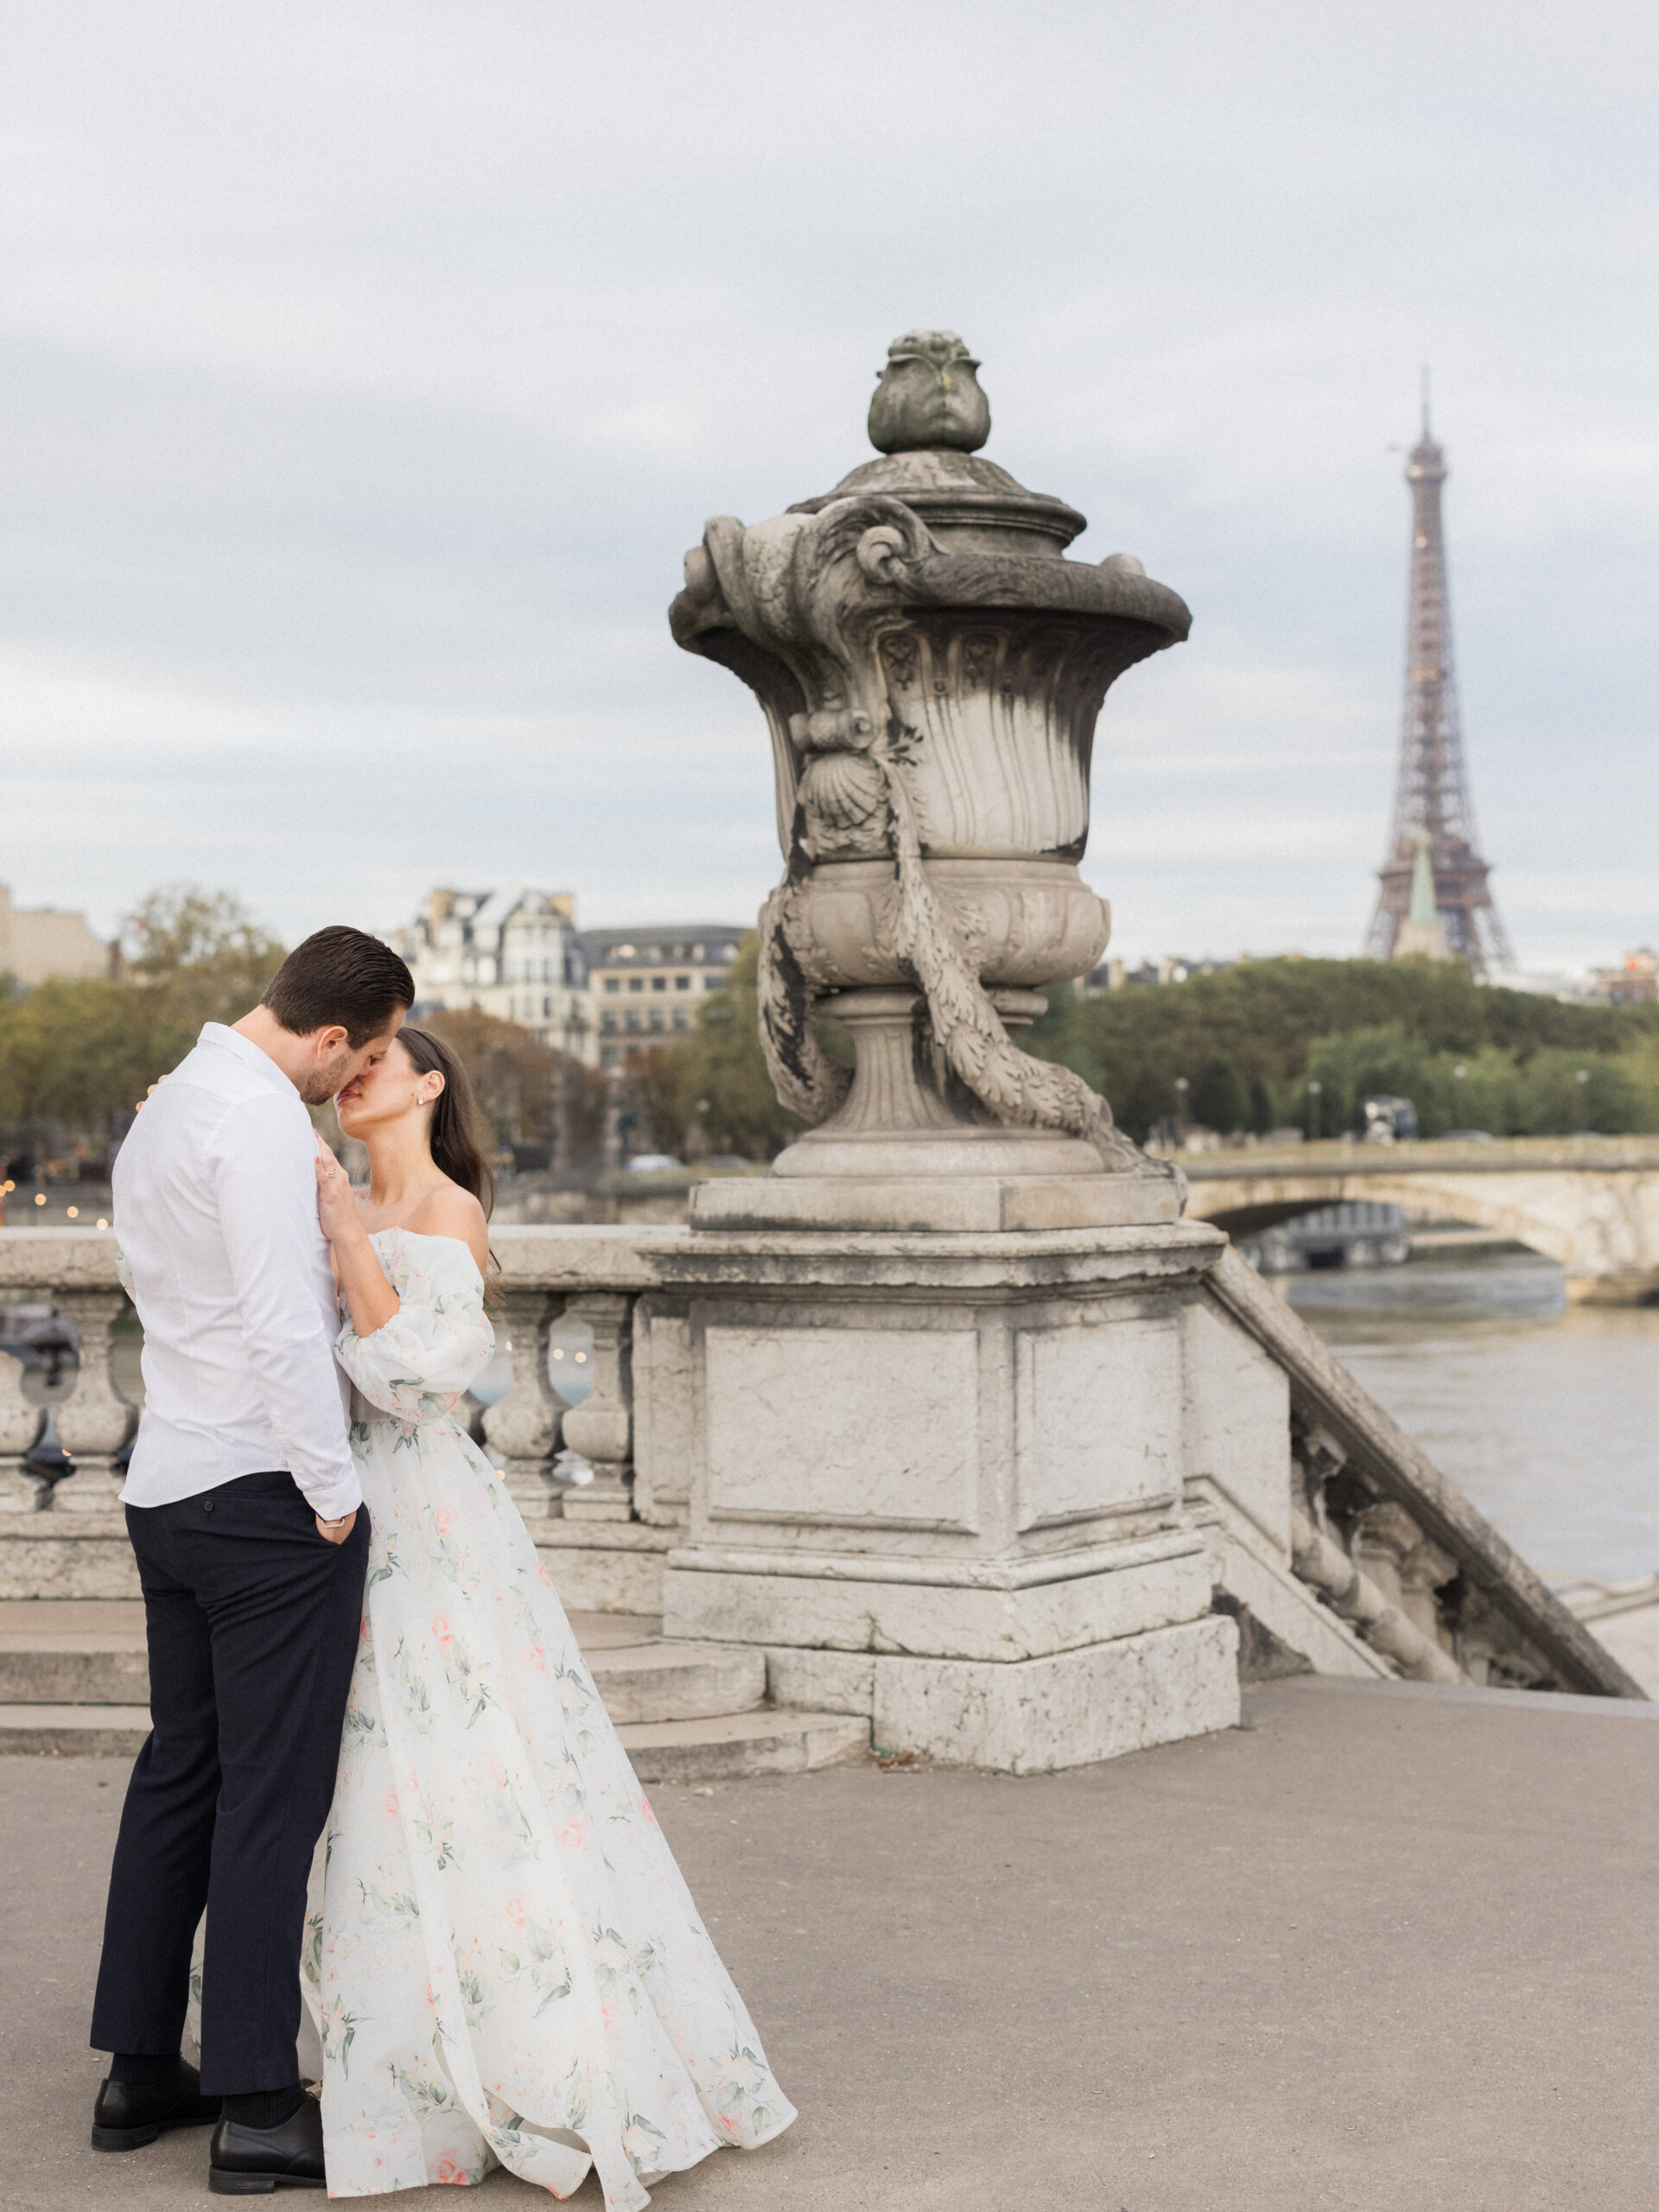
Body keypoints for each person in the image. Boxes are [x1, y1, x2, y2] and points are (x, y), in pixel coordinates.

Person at [305, 1025, 794, 2208]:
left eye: (387, 1058)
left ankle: (503, 2050)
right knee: (334, 1773)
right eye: (350, 1056)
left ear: (430, 1086)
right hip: (317, 1511)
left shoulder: (447, 1213)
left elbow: (418, 1379)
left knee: (459, 1766)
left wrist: (337, 1233)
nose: (361, 1070)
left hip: (421, 1518)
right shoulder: (328, 1200)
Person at [90, 925, 415, 2195]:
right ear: (333, 1035)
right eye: (371, 1052)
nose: (362, 1075)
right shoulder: (265, 1127)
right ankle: (259, 2106)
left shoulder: (169, 1109)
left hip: (166, 1483)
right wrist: (332, 1494)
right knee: (271, 1798)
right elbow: (286, 1326)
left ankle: (137, 2070)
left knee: (182, 1772)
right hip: (261, 1495)